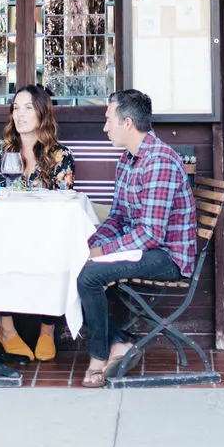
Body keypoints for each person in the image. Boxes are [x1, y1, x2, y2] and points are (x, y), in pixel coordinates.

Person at [76, 88, 197, 389]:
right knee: (76, 263)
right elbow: (117, 217)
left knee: (90, 275)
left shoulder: (159, 161)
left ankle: (98, 357)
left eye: (108, 120)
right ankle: (119, 343)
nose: (105, 127)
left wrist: (100, 253)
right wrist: (89, 246)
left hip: (168, 256)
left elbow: (150, 234)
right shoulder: (128, 160)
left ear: (127, 122)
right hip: (143, 248)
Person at [0, 84, 76, 363]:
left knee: (57, 249)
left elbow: (64, 203)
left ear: (42, 112)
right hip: (3, 229)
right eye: (16, 108)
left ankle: (47, 330)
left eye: (28, 108)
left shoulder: (60, 155)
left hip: (44, 233)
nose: (20, 114)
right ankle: (5, 329)